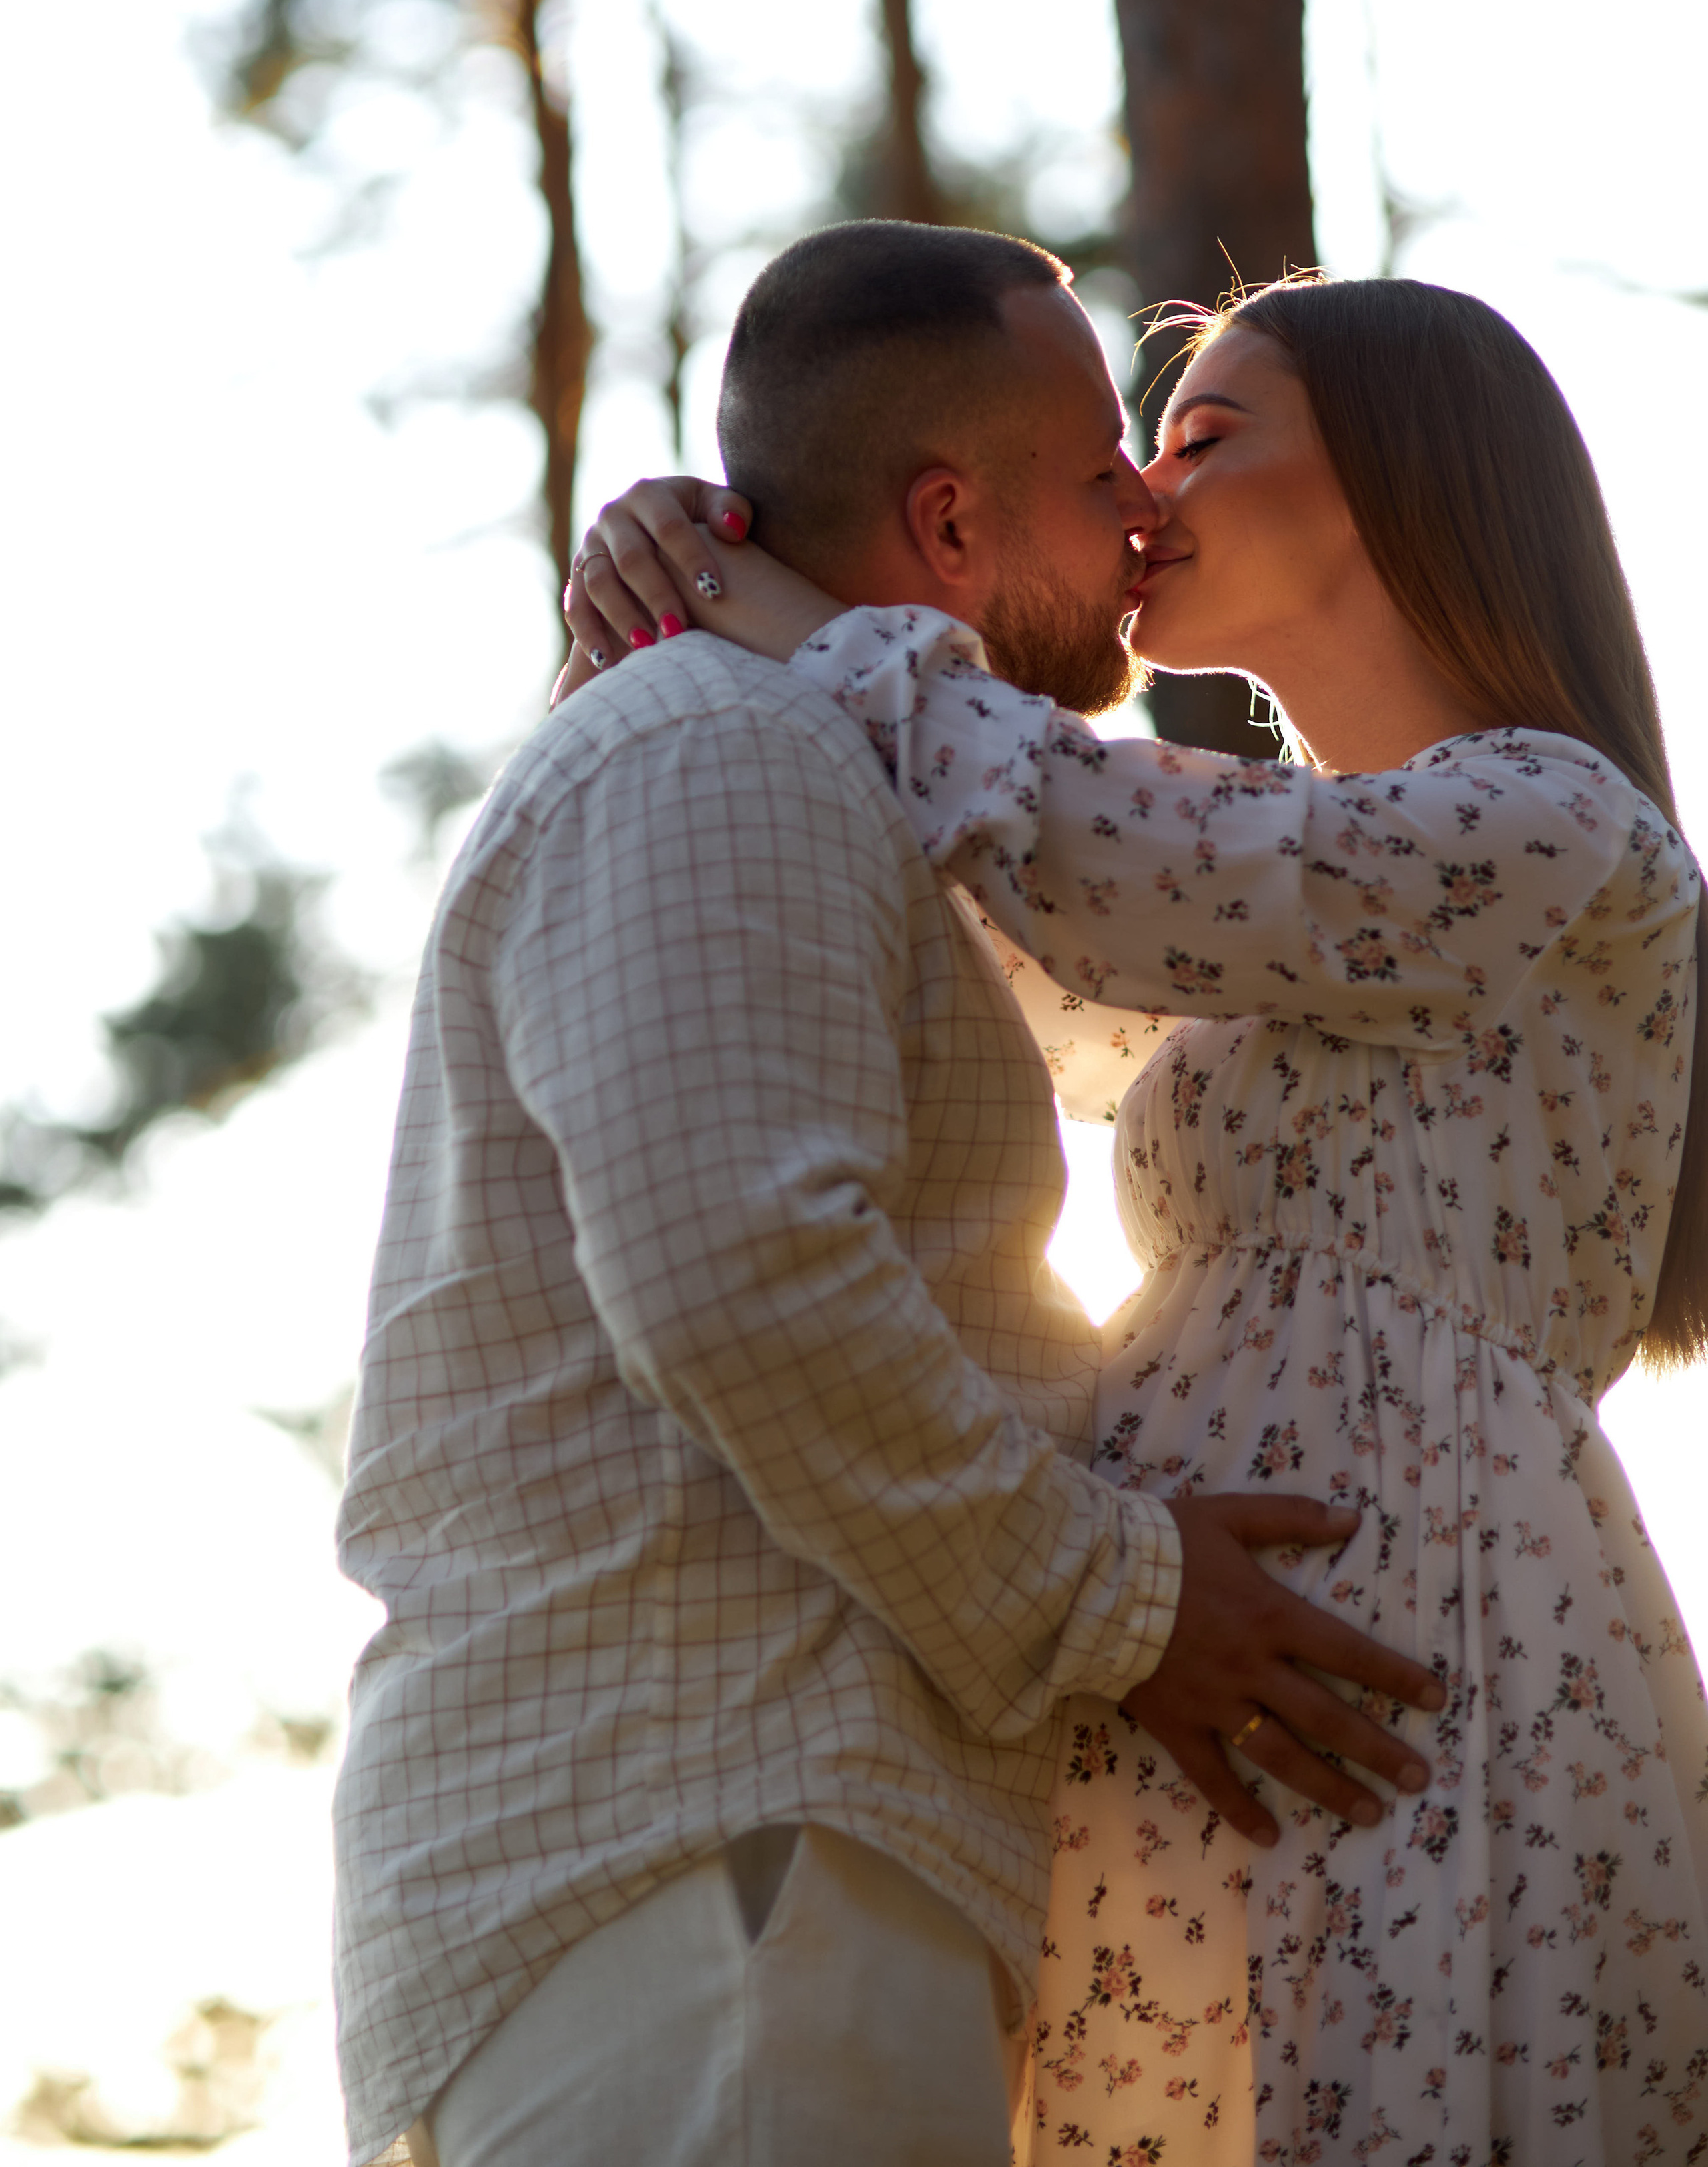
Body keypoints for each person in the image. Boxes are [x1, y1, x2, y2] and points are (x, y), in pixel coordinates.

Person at [330, 224, 1444, 2167]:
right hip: (724, 1864)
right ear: (946, 520)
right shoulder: (717, 753)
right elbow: (740, 1278)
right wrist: (1139, 1598)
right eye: (1107, 467)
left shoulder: (811, 775)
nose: (1140, 514)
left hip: (743, 1876)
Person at [572, 267, 1708, 2159]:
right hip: (1198, 1671)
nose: (1144, 492)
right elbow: (954, 951)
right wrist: (693, 568)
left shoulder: (1550, 825)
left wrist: (779, 605)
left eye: (1204, 432)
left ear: (1404, 481)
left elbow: (1085, 850)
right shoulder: (1273, 898)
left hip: (1415, 1652)